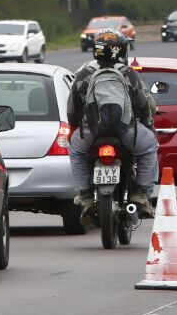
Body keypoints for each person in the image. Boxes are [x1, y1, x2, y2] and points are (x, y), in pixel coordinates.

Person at [67, 29, 158, 220]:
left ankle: (84, 195)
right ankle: (141, 194)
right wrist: (149, 126)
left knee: (76, 151)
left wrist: (77, 128)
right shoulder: (128, 73)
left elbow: (72, 109)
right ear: (119, 51)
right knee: (150, 147)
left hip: (91, 131)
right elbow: (143, 106)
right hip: (126, 130)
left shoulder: (84, 74)